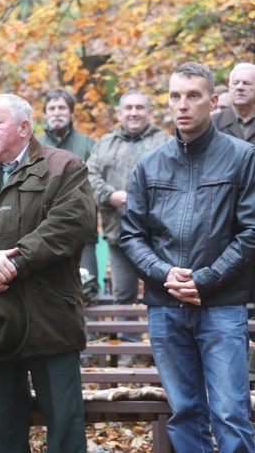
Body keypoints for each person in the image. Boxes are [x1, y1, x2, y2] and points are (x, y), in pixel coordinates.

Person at [0, 94, 95, 452]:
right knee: (2, 431)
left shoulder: (66, 166)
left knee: (65, 430)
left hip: (51, 320)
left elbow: (71, 225)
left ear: (24, 127)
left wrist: (14, 261)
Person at [120, 62, 255, 451]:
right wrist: (165, 275)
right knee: (184, 413)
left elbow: (250, 232)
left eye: (193, 96)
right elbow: (130, 235)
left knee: (230, 412)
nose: (183, 105)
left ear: (213, 101)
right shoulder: (150, 164)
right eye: (175, 96)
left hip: (221, 304)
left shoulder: (243, 157)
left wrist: (204, 279)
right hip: (164, 305)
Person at [86, 90, 171, 348]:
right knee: (124, 293)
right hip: (119, 234)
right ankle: (128, 350)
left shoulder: (165, 142)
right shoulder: (105, 144)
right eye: (129, 108)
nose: (134, 113)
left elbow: (176, 178)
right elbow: (89, 177)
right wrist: (110, 196)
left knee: (165, 290)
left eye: (140, 108)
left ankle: (164, 346)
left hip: (161, 234)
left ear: (149, 112)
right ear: (120, 113)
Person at [37, 88, 98, 279]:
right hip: (42, 231)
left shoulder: (88, 144)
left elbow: (94, 183)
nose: (57, 112)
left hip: (83, 232)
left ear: (71, 113)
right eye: (52, 108)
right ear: (45, 113)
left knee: (87, 286)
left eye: (62, 108)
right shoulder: (34, 146)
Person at [212, 62, 255, 143]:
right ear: (229, 87)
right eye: (235, 83)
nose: (239, 87)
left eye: (247, 83)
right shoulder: (211, 123)